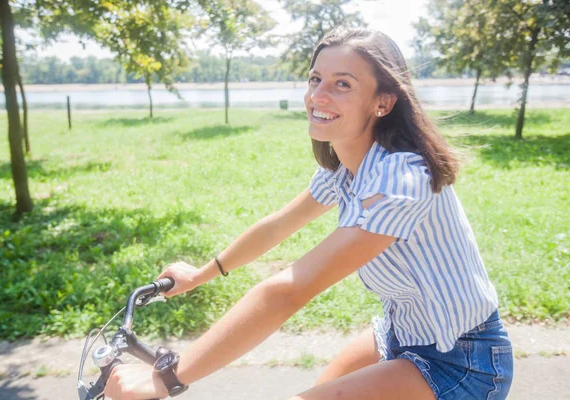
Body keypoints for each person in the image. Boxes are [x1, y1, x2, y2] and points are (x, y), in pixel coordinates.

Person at [104, 27, 514, 400]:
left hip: (464, 360)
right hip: (400, 333)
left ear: (384, 102)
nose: (318, 96)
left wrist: (163, 381)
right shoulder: (347, 170)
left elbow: (287, 292)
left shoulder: (401, 180)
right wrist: (201, 274)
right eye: (316, 79)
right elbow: (277, 226)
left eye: (342, 85)